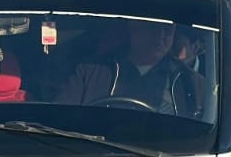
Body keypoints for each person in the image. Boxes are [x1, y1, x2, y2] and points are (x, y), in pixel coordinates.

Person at [71, 20, 204, 116]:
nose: (161, 35)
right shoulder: (91, 71)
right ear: (133, 27)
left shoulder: (191, 81)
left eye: (167, 29)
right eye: (153, 27)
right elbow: (63, 123)